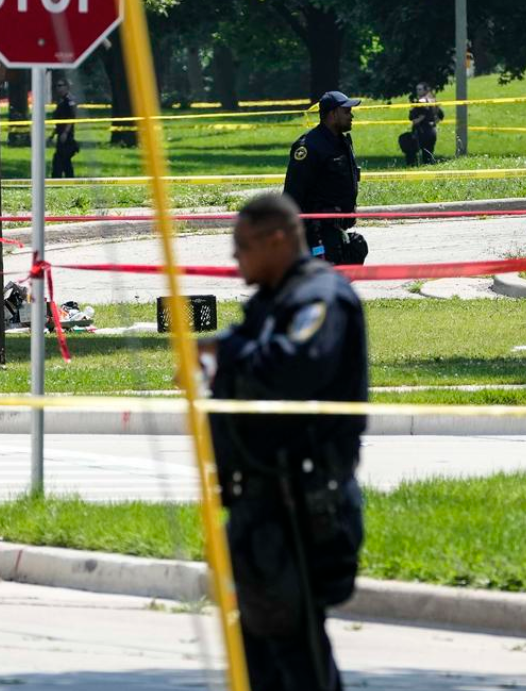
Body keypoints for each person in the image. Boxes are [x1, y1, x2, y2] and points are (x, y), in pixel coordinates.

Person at [200, 193, 367, 691]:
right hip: (260, 501)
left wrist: (223, 351)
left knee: (297, 653)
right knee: (262, 653)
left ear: (277, 240)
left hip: (300, 504)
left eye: (242, 246)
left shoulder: (320, 298)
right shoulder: (272, 302)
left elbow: (291, 368)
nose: (235, 258)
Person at [283, 90, 367, 265]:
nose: (351, 116)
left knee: (357, 248)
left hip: (336, 227)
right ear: (332, 114)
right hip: (316, 231)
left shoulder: (341, 142)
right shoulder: (309, 146)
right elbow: (293, 192)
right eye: (346, 111)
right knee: (324, 278)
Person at [401, 83, 444, 166]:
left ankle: (413, 168)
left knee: (410, 150)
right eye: (417, 89)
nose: (418, 91)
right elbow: (440, 116)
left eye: (420, 89)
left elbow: (420, 116)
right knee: (428, 155)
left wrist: (416, 120)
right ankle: (427, 170)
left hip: (421, 131)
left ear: (425, 90)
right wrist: (433, 123)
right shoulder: (433, 101)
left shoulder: (421, 102)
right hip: (432, 130)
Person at [50, 76, 79, 179]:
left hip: (67, 136)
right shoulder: (61, 101)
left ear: (67, 87)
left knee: (59, 159)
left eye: (60, 86)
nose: (58, 88)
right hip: (61, 134)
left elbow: (72, 117)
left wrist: (65, 133)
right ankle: (69, 180)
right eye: (57, 86)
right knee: (65, 161)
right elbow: (59, 120)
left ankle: (56, 180)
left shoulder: (70, 100)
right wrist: (53, 134)